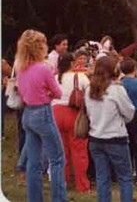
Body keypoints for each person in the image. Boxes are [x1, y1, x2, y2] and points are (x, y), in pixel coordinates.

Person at [15, 29, 67, 201]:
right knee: (57, 159)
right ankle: (58, 198)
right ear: (39, 47)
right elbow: (58, 93)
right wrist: (48, 93)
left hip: (28, 114)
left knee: (34, 162)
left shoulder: (21, 68)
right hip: (43, 113)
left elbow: (23, 93)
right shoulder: (43, 69)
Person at [86, 56, 135, 202]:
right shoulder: (116, 89)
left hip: (95, 137)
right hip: (115, 138)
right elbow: (129, 113)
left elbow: (88, 113)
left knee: (102, 177)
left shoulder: (90, 89)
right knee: (125, 177)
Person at [52, 52, 91, 193]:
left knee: (61, 151)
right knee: (79, 150)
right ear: (72, 63)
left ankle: (63, 182)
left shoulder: (55, 77)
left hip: (55, 113)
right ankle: (82, 185)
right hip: (73, 114)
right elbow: (90, 93)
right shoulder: (80, 77)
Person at [120, 58, 137, 186]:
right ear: (135, 69)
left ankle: (128, 172)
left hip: (122, 115)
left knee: (127, 143)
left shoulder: (120, 83)